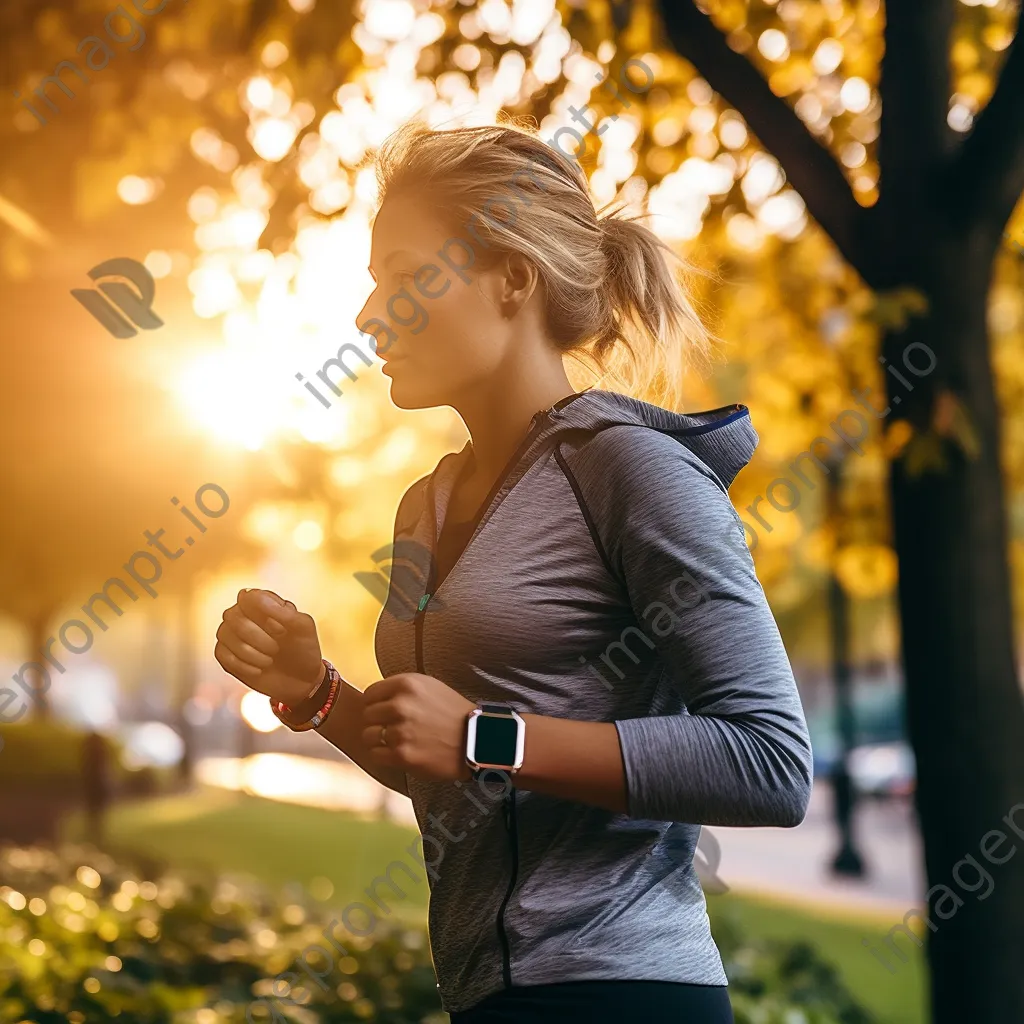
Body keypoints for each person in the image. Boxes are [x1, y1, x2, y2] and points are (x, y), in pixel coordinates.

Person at [214, 122, 813, 1024]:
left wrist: (487, 738)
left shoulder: (631, 469)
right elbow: (451, 771)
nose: (370, 316)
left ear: (514, 280)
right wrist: (317, 693)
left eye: (407, 277)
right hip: (489, 1001)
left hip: (625, 994)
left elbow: (770, 761)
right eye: (375, 284)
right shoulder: (425, 507)